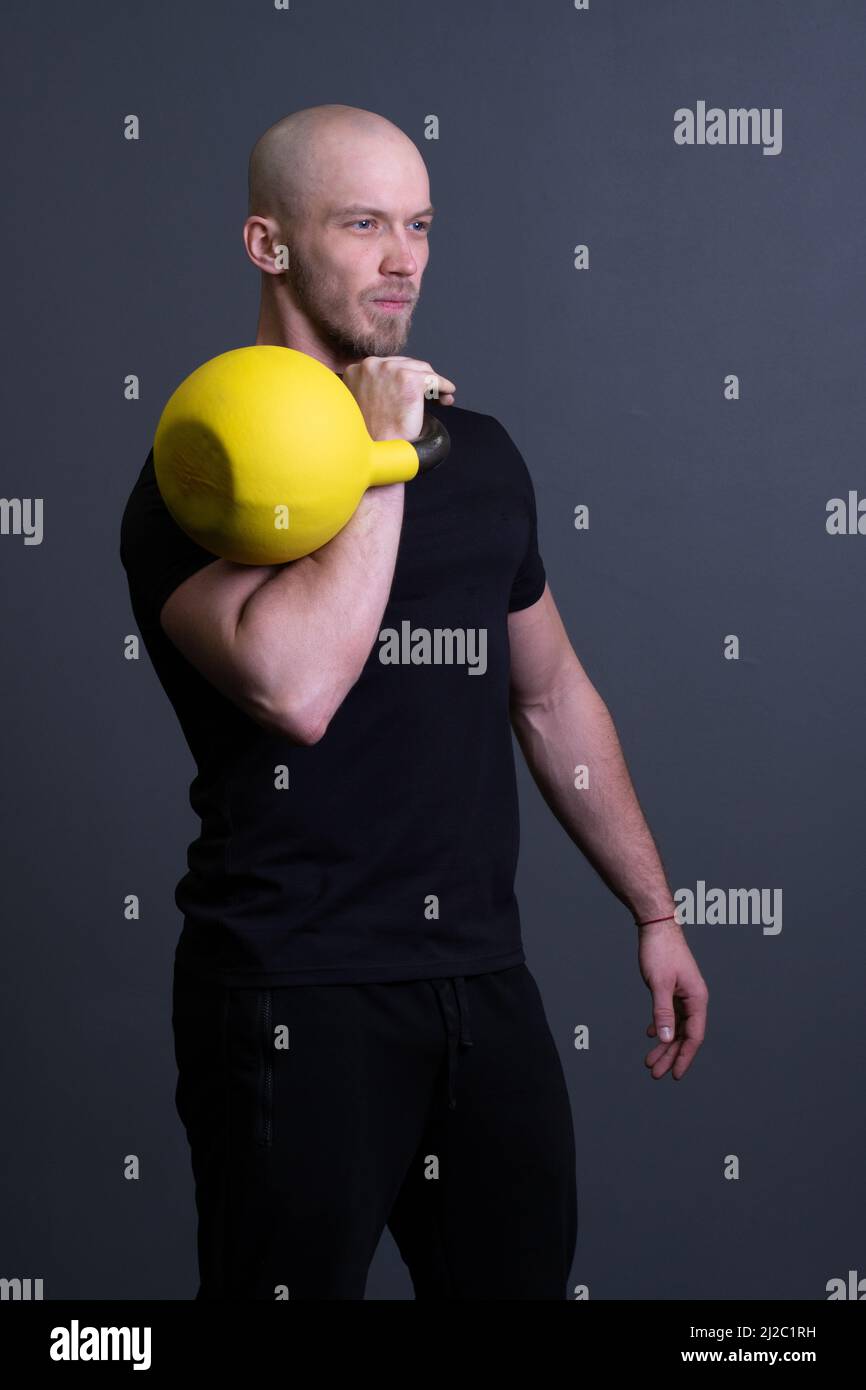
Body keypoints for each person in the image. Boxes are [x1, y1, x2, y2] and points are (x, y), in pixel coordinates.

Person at [119, 103, 708, 1301]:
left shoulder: (478, 453)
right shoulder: (203, 466)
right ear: (268, 244)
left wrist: (653, 909)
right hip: (291, 985)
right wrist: (381, 455)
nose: (404, 259)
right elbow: (293, 688)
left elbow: (547, 694)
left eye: (421, 224)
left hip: (482, 984)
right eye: (362, 223)